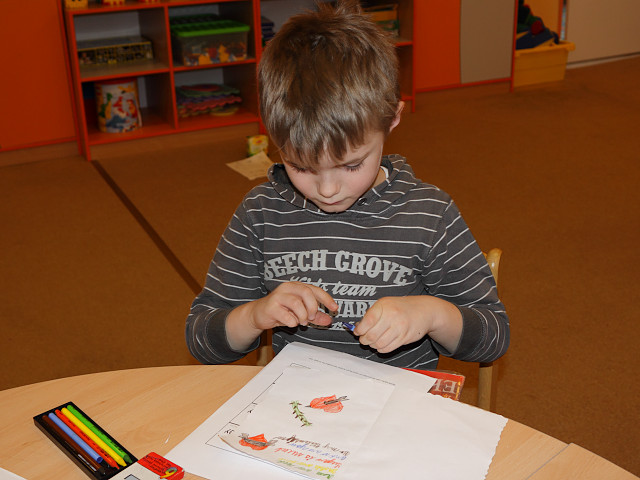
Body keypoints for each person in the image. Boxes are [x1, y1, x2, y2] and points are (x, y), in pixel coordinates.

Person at [186, 0, 509, 370]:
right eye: (300, 166)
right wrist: (255, 315)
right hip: (300, 397)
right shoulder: (260, 214)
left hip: (399, 398)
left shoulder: (429, 215)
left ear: (392, 118)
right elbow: (201, 339)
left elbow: (493, 337)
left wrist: (434, 314)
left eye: (351, 165)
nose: (327, 190)